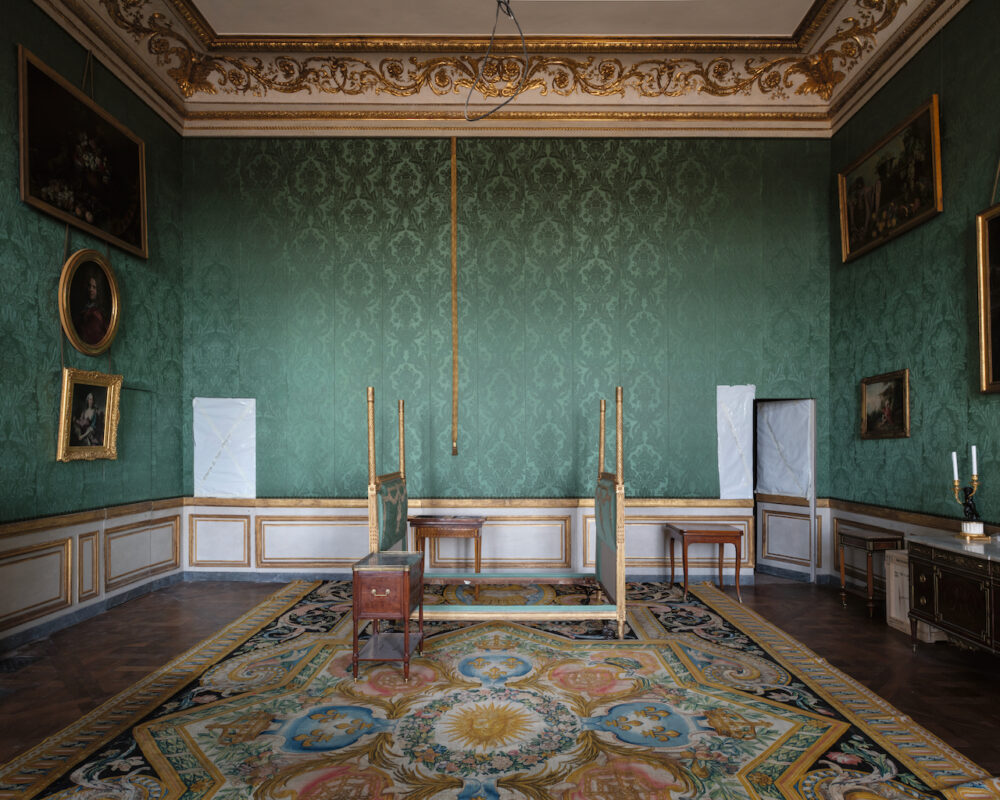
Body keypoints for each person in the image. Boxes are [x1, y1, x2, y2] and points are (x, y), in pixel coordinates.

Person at [74, 271, 108, 345]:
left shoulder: (99, 314)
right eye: (89, 286)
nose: (91, 289)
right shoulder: (82, 309)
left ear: (98, 290)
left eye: (94, 287)